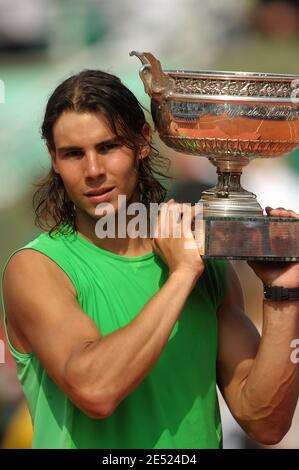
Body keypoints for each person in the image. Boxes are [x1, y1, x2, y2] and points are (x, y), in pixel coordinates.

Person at [1, 70, 299, 449]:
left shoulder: (206, 265)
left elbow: (266, 423)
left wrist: (283, 293)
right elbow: (95, 390)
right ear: (54, 160)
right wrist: (180, 276)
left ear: (142, 142)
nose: (93, 171)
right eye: (74, 154)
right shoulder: (37, 268)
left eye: (108, 147)